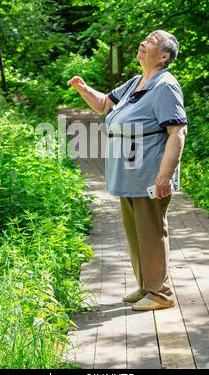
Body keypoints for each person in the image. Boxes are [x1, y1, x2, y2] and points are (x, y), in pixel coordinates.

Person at [67, 30, 188, 311]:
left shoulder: (164, 86)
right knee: (135, 232)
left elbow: (177, 132)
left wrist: (164, 176)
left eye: (151, 42)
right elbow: (104, 105)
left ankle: (161, 294)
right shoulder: (137, 82)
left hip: (149, 172)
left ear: (164, 57)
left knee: (151, 231)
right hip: (128, 172)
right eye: (144, 39)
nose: (143, 43)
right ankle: (147, 285)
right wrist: (83, 89)